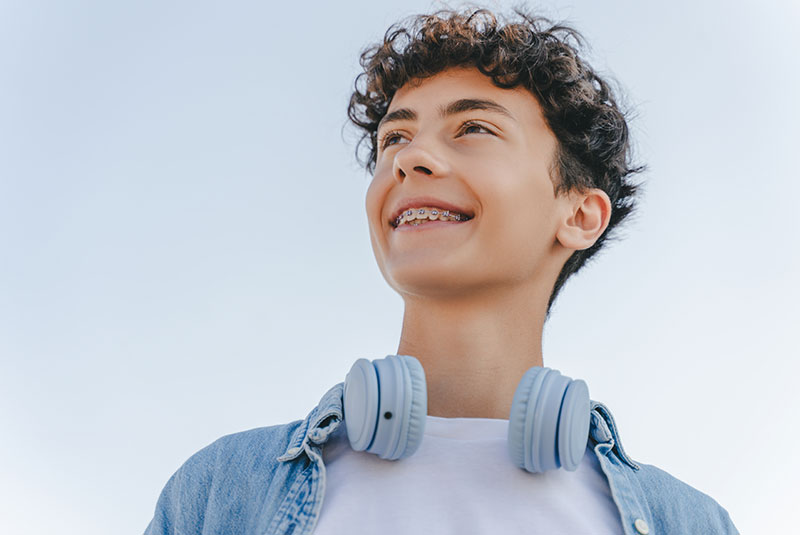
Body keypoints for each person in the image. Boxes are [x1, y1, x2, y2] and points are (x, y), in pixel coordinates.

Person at [144, 7, 738, 535]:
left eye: (473, 128)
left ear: (580, 214)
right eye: (395, 137)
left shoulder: (687, 522)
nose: (409, 158)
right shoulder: (222, 491)